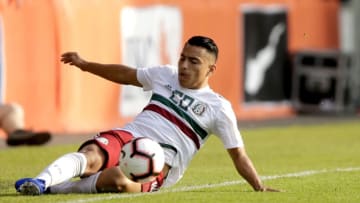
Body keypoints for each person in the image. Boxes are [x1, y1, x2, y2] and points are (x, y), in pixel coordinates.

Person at [15, 36, 279, 195]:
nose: (184, 65)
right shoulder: (165, 75)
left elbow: (238, 154)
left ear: (212, 69)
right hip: (130, 136)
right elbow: (124, 74)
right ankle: (41, 181)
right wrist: (85, 65)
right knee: (92, 157)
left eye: (194, 61)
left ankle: (55, 188)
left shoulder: (219, 108)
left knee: (118, 181)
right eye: (182, 57)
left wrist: (258, 186)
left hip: (161, 162)